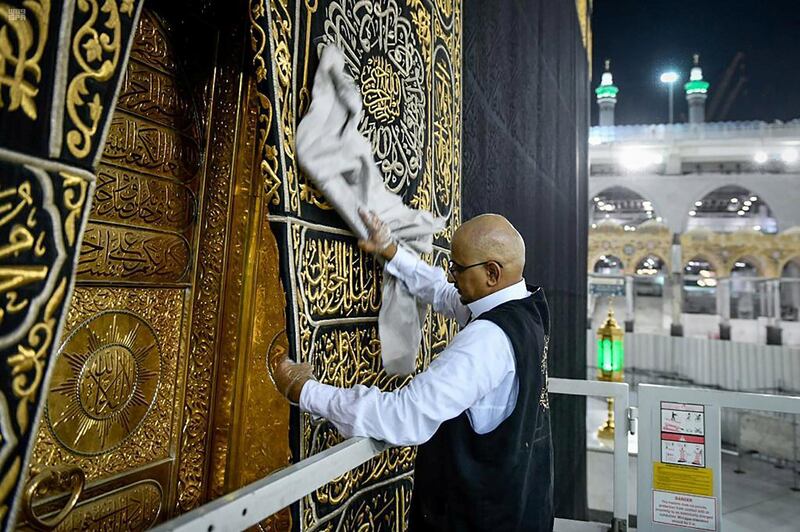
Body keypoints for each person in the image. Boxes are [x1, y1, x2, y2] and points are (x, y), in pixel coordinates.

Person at [272, 210, 554, 532]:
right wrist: (391, 250)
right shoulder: (526, 305)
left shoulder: (487, 341)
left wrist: (305, 390)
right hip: (525, 507)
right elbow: (444, 293)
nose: (451, 276)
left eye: (458, 269)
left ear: (491, 273)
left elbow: (403, 416)